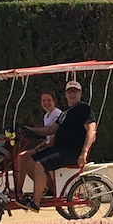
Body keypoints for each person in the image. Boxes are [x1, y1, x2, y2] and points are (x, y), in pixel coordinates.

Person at [19, 81, 97, 212]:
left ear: (80, 93)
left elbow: (92, 130)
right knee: (27, 161)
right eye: (69, 91)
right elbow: (50, 130)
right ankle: (49, 189)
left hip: (71, 151)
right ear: (66, 94)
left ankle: (35, 203)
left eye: (75, 91)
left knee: (39, 165)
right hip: (58, 149)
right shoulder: (65, 113)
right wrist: (29, 130)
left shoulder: (84, 109)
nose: (72, 94)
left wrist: (84, 152)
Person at [15, 91, 62, 197]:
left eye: (49, 100)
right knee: (21, 157)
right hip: (48, 146)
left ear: (54, 101)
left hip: (55, 148)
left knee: (29, 161)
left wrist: (43, 147)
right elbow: (47, 138)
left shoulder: (57, 114)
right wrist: (38, 147)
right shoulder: (46, 116)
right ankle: (19, 189)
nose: (46, 103)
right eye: (44, 101)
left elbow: (54, 133)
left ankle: (48, 187)